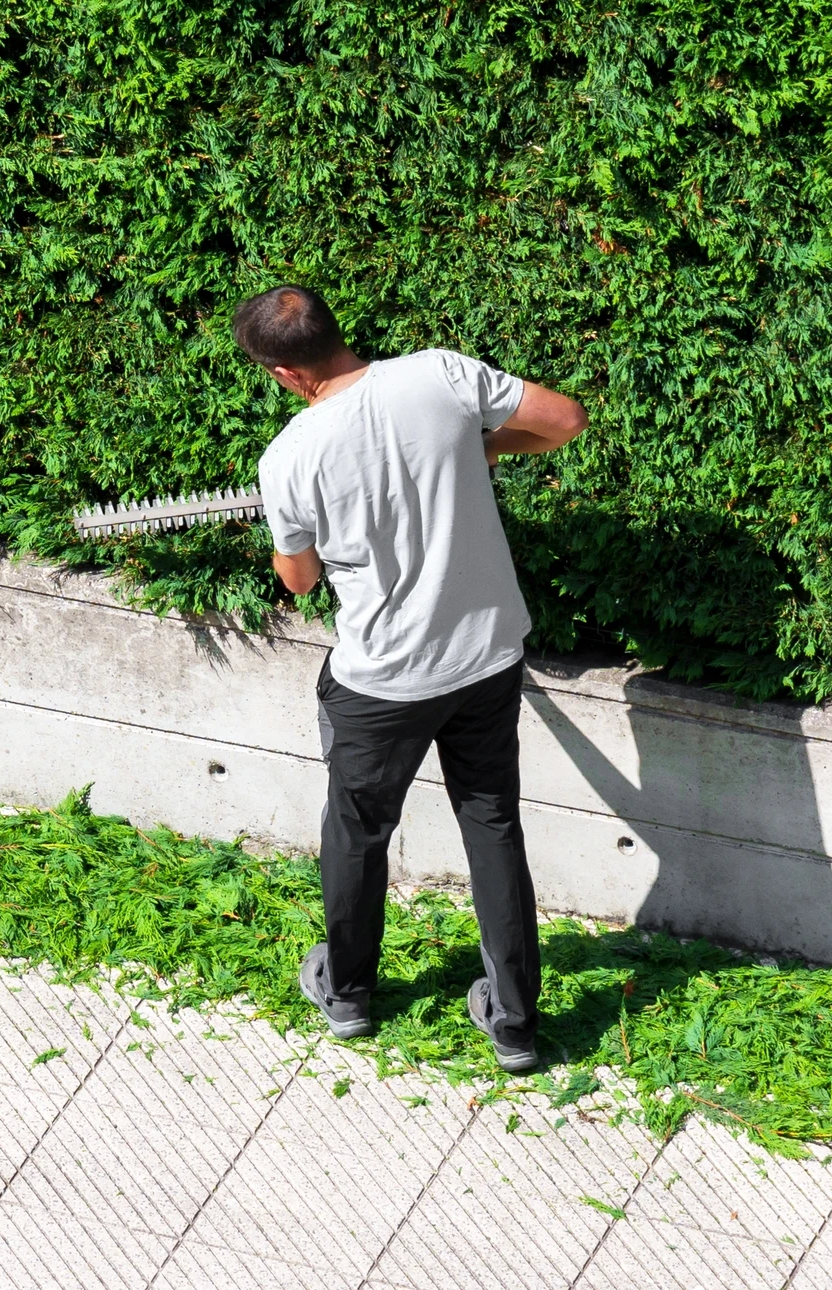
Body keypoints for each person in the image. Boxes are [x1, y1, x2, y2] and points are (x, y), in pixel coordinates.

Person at [236, 284, 587, 1072]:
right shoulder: (439, 374)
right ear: (334, 328)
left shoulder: (288, 455)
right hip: (485, 655)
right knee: (491, 823)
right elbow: (565, 420)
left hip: (382, 682)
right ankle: (514, 1023)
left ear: (285, 373)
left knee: (357, 830)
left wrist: (288, 540)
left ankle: (349, 994)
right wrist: (488, 448)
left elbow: (298, 580)